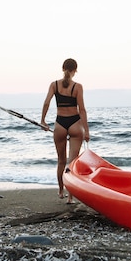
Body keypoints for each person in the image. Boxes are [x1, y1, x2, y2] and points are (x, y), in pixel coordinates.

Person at [41, 58, 90, 203]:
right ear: (75, 70)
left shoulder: (54, 85)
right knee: (72, 162)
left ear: (63, 69)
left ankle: (61, 191)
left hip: (60, 125)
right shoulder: (78, 87)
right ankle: (70, 197)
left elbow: (46, 102)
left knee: (61, 161)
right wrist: (86, 131)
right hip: (75, 124)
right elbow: (82, 109)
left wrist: (43, 121)